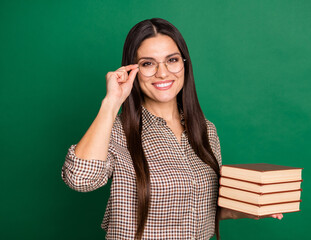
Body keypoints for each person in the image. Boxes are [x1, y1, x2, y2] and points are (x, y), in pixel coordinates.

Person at [61, 18, 283, 240]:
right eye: (148, 63)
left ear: (184, 64)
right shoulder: (116, 130)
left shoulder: (206, 130)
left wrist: (249, 208)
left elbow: (201, 207)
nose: (163, 73)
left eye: (172, 60)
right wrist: (111, 103)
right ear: (132, 70)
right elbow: (81, 180)